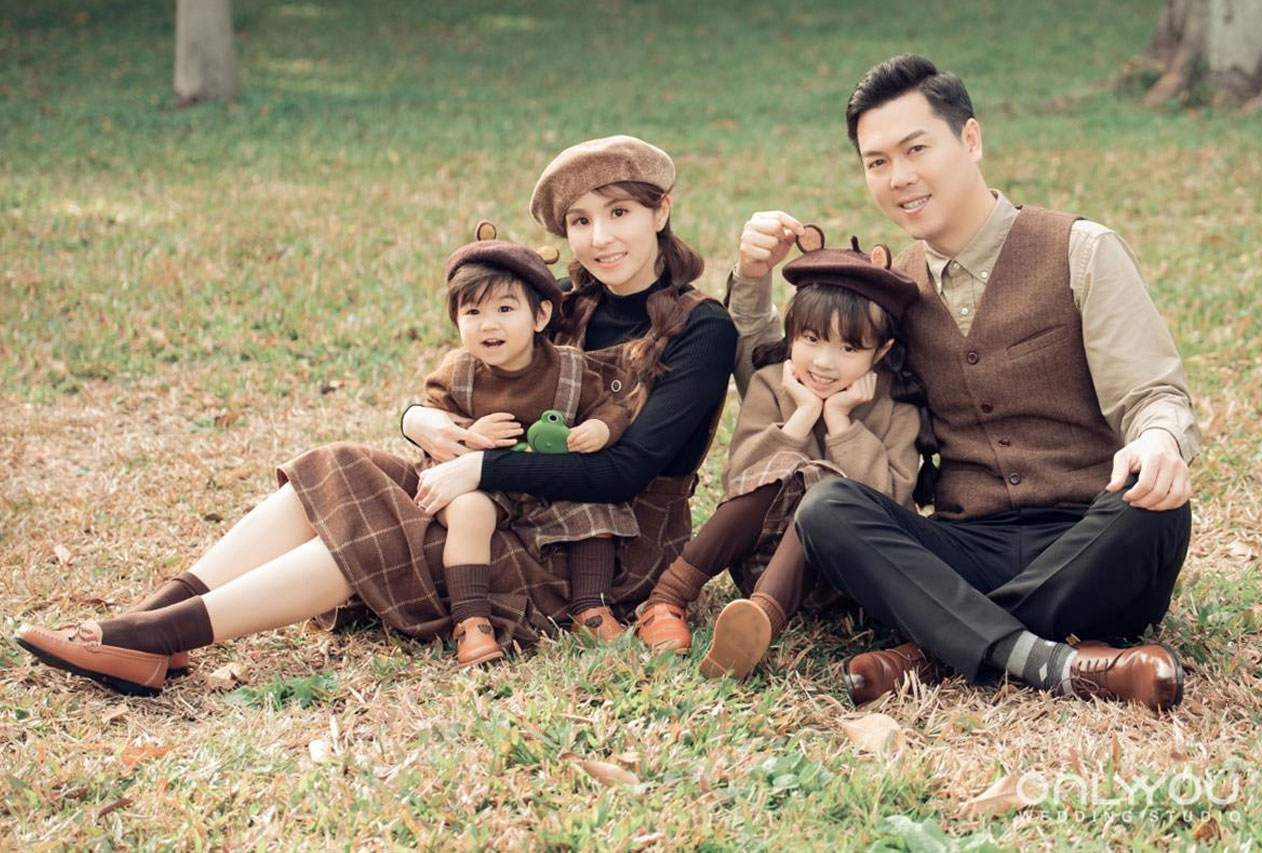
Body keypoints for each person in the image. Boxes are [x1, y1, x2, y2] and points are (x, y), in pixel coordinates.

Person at [15, 135, 737, 696]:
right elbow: (473, 380)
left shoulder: (701, 328)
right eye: (581, 221)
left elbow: (625, 472)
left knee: (385, 529)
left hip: (601, 544)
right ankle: (148, 625)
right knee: (334, 467)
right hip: (508, 500)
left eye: (619, 213)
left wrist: (480, 469)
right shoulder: (563, 307)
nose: (601, 238)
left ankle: (157, 637)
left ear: (660, 212)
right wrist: (417, 420)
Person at [726, 55, 1199, 713]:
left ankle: (931, 651)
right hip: (968, 545)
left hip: (1091, 533)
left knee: (1155, 507)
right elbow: (780, 377)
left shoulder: (1082, 250)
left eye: (916, 149)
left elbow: (1154, 395)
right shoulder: (891, 293)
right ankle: (1059, 663)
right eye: (877, 161)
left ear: (970, 139)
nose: (899, 177)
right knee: (828, 510)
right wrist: (751, 280)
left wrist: (1159, 441)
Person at [634, 234, 932, 685]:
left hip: (848, 581)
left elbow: (887, 502)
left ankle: (757, 624)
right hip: (762, 561)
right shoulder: (774, 383)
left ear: (883, 351)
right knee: (791, 475)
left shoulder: (897, 408)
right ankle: (668, 597)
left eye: (849, 349)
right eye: (811, 339)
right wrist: (803, 415)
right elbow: (742, 480)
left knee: (823, 493)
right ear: (792, 333)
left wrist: (842, 424)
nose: (825, 363)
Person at [418, 233, 640, 666]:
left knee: (595, 511)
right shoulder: (458, 372)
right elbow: (432, 421)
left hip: (548, 483)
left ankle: (591, 607)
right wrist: (467, 431)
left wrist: (598, 428)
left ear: (540, 316)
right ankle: (471, 620)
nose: (489, 325)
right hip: (476, 486)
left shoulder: (568, 367)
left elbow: (611, 407)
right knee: (469, 513)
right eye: (473, 312)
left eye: (505, 309)